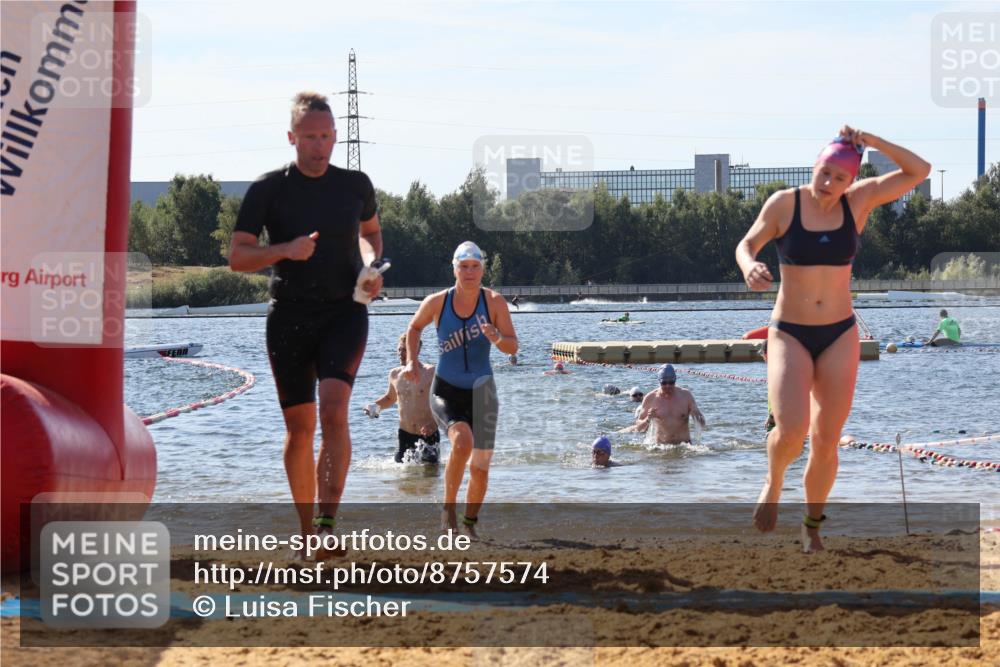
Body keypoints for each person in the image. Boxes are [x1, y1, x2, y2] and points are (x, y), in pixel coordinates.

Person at [735, 126, 930, 552]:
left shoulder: (858, 202)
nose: (828, 184)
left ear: (850, 180)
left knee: (826, 438)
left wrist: (874, 142)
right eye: (823, 173)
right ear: (815, 166)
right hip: (790, 331)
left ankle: (811, 525)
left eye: (838, 178)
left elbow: (920, 170)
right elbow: (747, 243)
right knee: (791, 430)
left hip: (841, 332)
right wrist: (749, 265)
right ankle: (773, 482)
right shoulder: (786, 203)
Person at [228, 91, 384, 549]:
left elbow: (372, 234)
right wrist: (284, 250)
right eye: (311, 137)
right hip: (289, 317)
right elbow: (238, 257)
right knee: (301, 429)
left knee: (335, 411)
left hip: (344, 311)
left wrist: (371, 266)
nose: (320, 146)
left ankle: (327, 525)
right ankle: (305, 533)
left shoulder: (355, 184)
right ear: (292, 137)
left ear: (336, 136)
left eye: (327, 137)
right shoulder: (267, 189)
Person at [404, 241, 519, 537]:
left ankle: (469, 523)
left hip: (484, 393)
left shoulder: (494, 302)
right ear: (454, 269)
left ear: (482, 269)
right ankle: (448, 507)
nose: (469, 272)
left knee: (480, 468)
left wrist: (496, 337)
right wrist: (411, 361)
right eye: (463, 267)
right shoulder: (437, 302)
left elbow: (512, 346)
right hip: (447, 391)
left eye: (475, 267)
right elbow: (414, 328)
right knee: (462, 442)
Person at [364, 333, 439, 464]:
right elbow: (390, 398)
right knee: (402, 479)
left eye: (405, 350)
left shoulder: (430, 372)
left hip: (428, 434)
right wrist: (374, 407)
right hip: (404, 434)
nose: (400, 353)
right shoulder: (394, 374)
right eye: (399, 349)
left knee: (429, 478)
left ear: (416, 350)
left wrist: (434, 423)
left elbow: (443, 400)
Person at [634, 364, 705, 444]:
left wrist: (697, 415)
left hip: (684, 447)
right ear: (659, 381)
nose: (668, 386)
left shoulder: (686, 396)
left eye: (671, 382)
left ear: (675, 380)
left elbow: (703, 424)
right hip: (661, 448)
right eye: (664, 383)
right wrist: (648, 419)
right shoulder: (651, 398)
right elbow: (639, 428)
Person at [761, 339, 775, 433]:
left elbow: (783, 396)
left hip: (778, 421)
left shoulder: (776, 371)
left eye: (762, 354)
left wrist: (771, 417)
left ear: (766, 354)